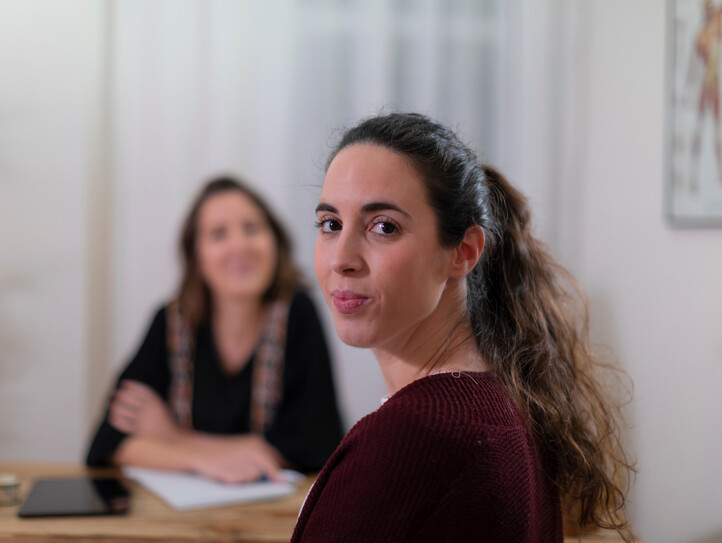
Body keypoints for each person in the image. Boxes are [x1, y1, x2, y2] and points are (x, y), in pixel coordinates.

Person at [292, 113, 634, 542]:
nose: (342, 258)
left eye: (384, 227)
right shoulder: (510, 398)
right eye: (331, 224)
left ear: (463, 252)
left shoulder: (411, 440)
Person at [87, 176, 344, 483]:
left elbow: (317, 447)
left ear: (275, 242)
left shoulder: (298, 314)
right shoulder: (169, 323)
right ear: (197, 258)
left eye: (251, 229)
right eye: (219, 234)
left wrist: (171, 437)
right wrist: (204, 460)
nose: (240, 246)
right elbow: (109, 444)